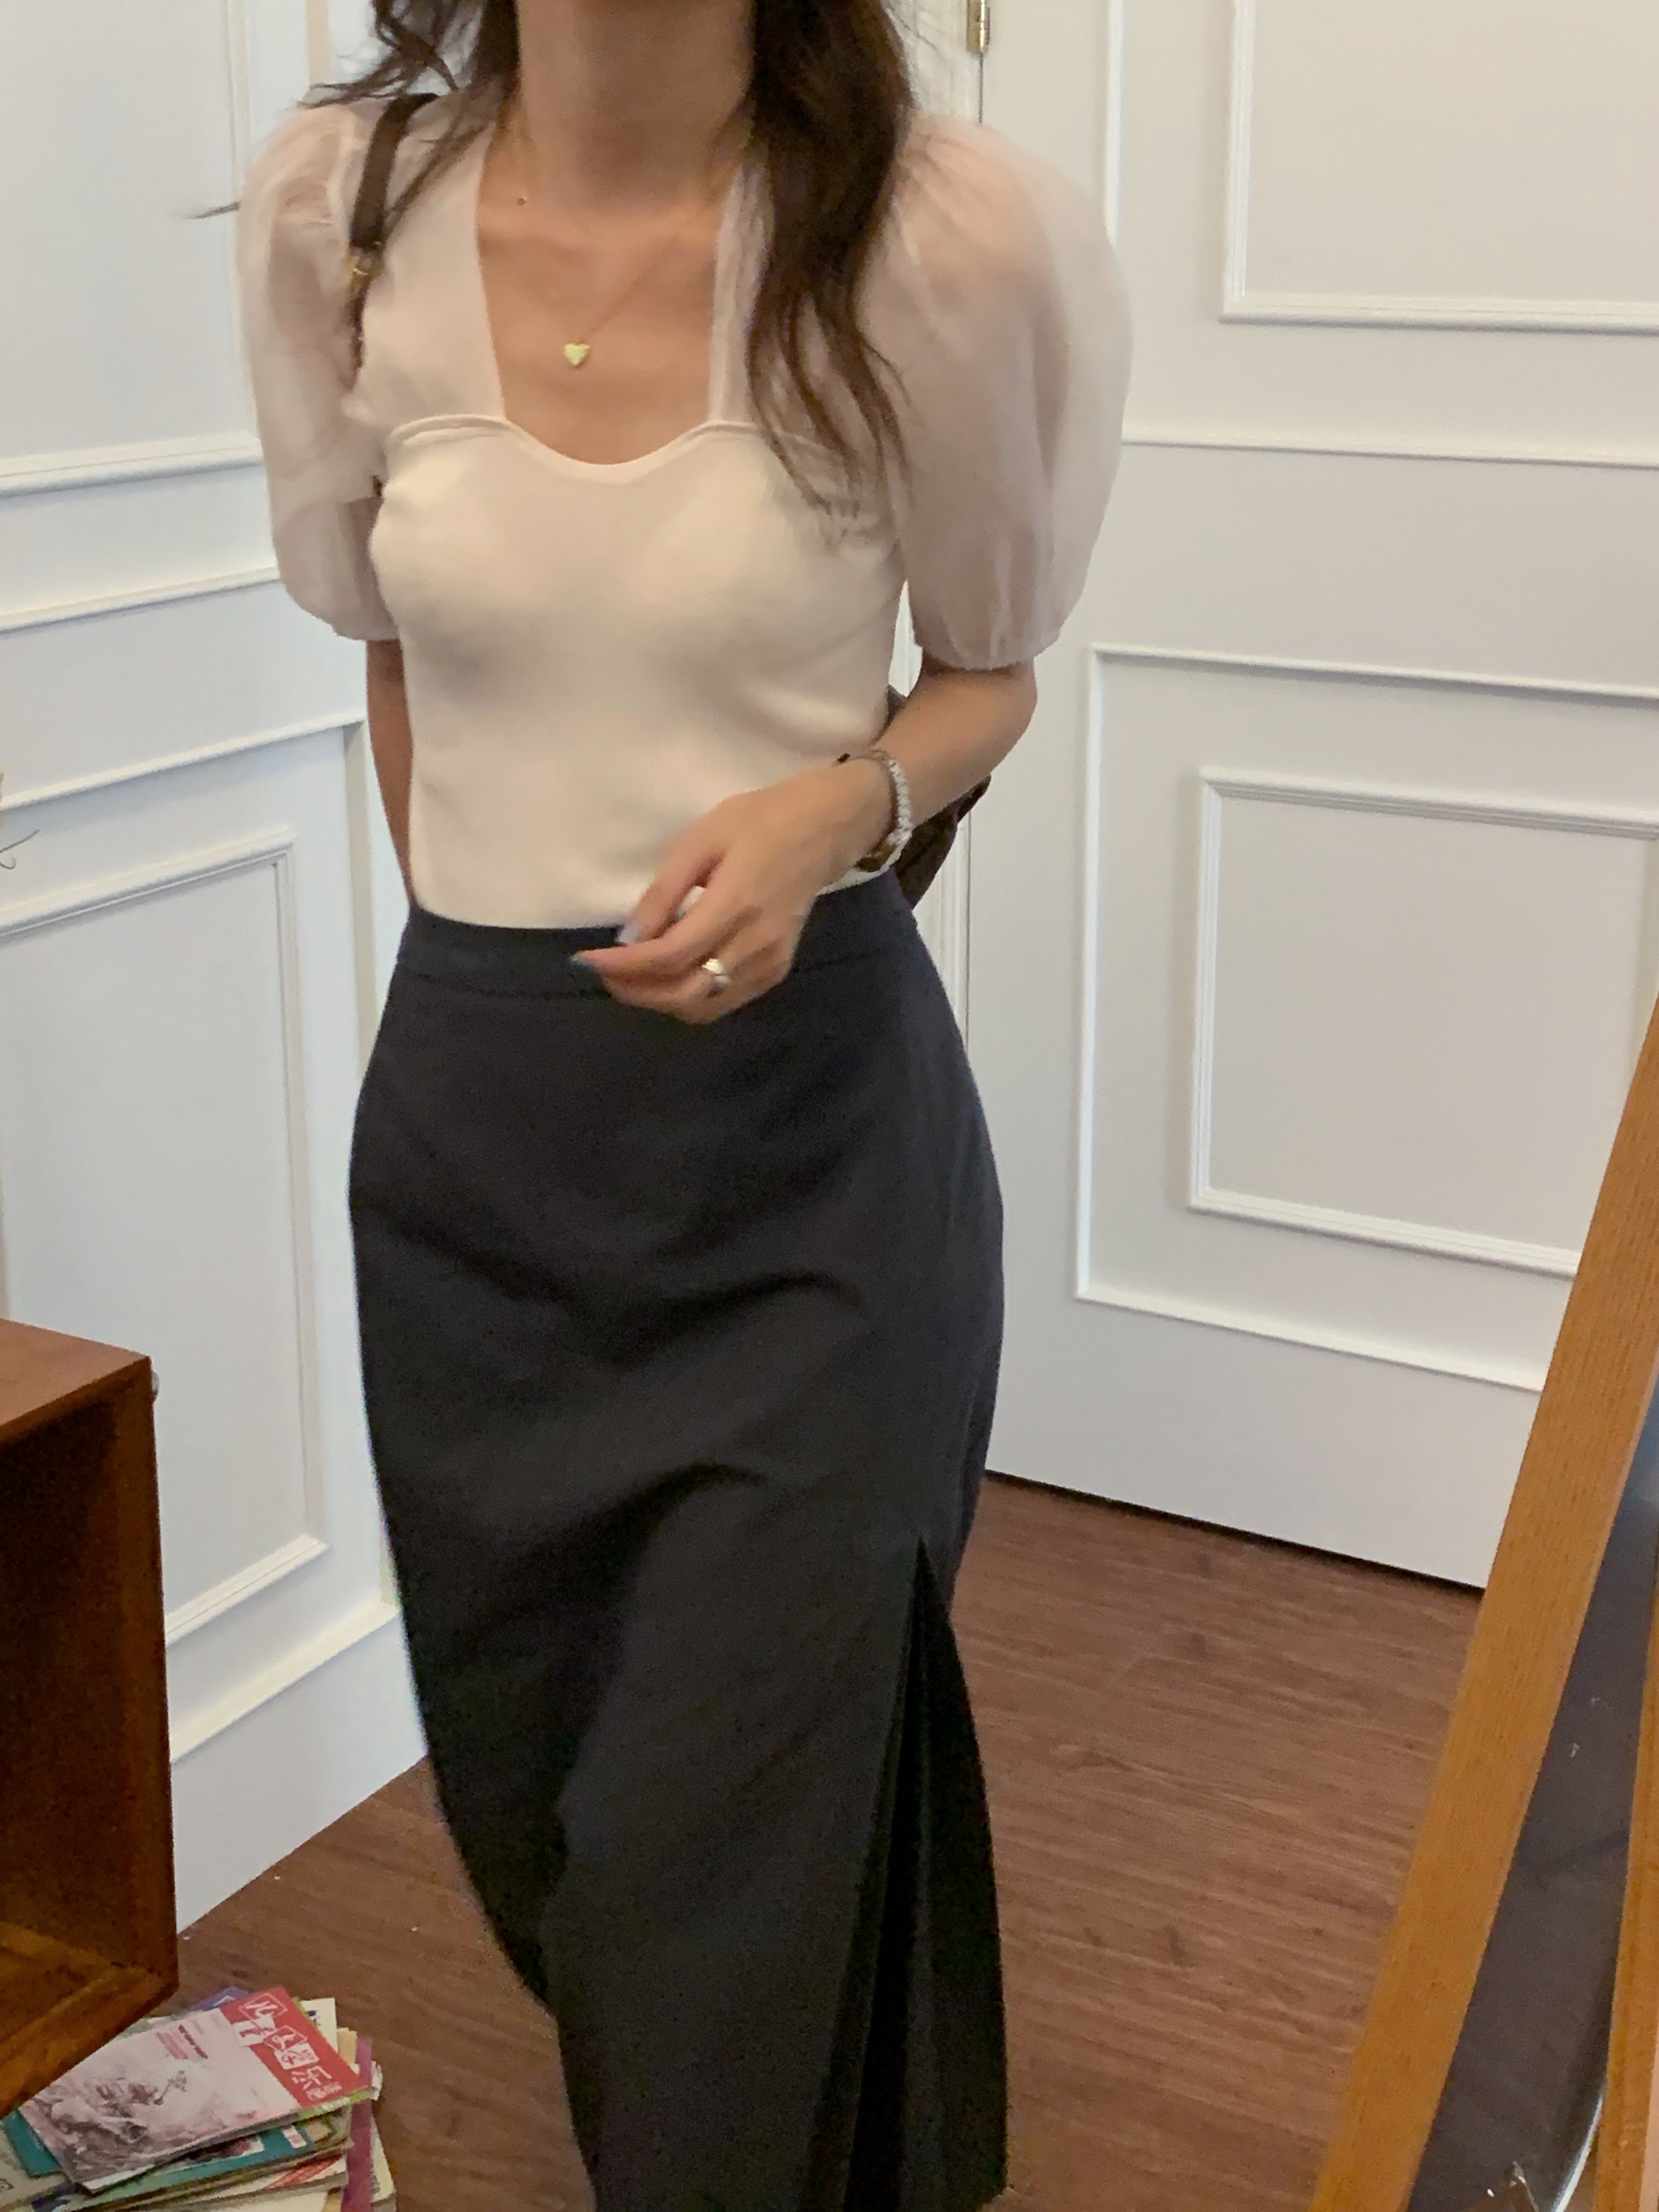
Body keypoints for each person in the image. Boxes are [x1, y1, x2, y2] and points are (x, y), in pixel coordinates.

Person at [238, 0, 1130, 2198]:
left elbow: (990, 672)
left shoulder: (935, 236)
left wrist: (842, 811)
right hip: (479, 1157)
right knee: (552, 1806)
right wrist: (496, 968)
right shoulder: (341, 213)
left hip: (811, 1159)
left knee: (726, 1823)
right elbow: (395, 645)